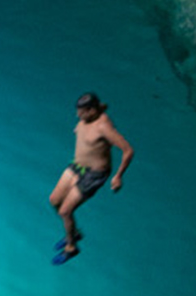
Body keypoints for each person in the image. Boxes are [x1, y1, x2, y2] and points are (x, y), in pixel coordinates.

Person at [49, 91, 133, 263]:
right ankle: (74, 232)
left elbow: (128, 151)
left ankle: (71, 248)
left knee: (66, 211)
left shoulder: (104, 128)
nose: (77, 116)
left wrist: (118, 176)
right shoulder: (86, 117)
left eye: (81, 113)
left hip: (94, 174)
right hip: (77, 166)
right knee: (54, 201)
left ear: (91, 110)